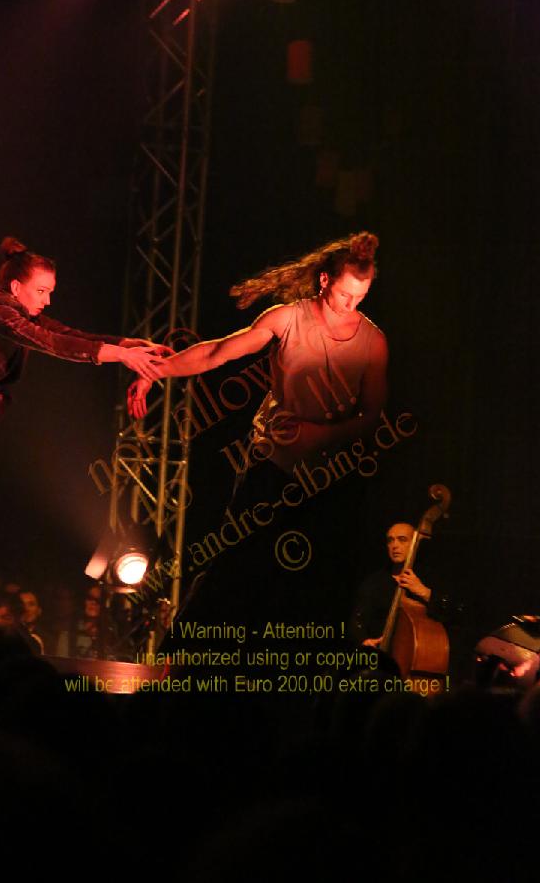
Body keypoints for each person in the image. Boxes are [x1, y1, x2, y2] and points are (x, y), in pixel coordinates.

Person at [129, 232, 388, 650]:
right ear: (325, 281)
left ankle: (286, 670)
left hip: (328, 475)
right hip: (272, 462)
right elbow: (218, 353)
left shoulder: (373, 342)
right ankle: (181, 659)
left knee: (309, 582)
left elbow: (372, 415)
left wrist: (322, 434)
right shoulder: (286, 319)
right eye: (345, 294)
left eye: (361, 296)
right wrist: (155, 371)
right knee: (233, 564)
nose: (350, 304)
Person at [0, 236, 166, 639]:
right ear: (16, 287)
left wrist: (129, 345)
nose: (48, 300)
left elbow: (68, 332)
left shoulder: (22, 313)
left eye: (50, 292)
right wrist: (121, 356)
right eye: (41, 291)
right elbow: (51, 343)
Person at [352, 522, 450, 646]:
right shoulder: (375, 582)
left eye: (402, 540)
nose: (395, 545)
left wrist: (424, 592)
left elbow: (454, 613)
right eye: (390, 540)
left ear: (415, 543)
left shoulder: (431, 576)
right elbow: (357, 620)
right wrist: (364, 640)